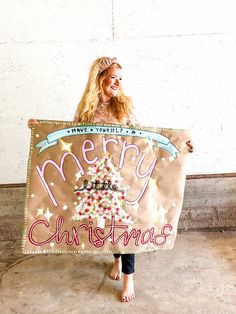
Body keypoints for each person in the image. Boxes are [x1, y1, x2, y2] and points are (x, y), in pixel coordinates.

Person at [28, 56, 194, 303]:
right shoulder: (86, 110)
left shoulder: (124, 108)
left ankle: (129, 276)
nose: (117, 83)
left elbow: (144, 139)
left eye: (120, 78)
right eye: (112, 77)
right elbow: (72, 139)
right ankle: (116, 260)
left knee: (126, 224)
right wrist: (41, 128)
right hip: (97, 177)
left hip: (123, 176)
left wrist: (179, 145)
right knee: (107, 224)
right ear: (100, 79)